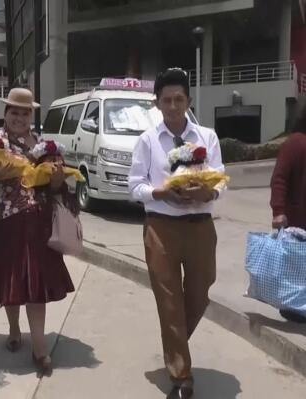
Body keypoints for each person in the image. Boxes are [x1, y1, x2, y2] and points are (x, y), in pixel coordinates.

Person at [0, 88, 76, 375]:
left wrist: (56, 180)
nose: (19, 118)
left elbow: (55, 188)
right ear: (6, 113)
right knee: (11, 283)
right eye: (14, 112)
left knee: (36, 287)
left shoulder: (44, 145)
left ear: (31, 115)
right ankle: (14, 329)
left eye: (25, 113)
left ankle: (39, 348)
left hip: (38, 225)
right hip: (2, 224)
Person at [128, 68, 225, 399]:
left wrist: (206, 193)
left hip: (200, 227)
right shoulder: (147, 141)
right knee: (169, 302)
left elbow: (220, 178)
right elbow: (135, 185)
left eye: (179, 99)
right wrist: (160, 193)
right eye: (166, 100)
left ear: (188, 101)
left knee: (200, 291)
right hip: (161, 227)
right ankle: (181, 375)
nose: (172, 105)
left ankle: (175, 342)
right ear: (157, 103)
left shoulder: (207, 138)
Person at [270, 101, 306, 323]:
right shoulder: (296, 143)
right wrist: (279, 210)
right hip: (297, 221)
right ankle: (293, 308)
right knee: (295, 268)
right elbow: (279, 179)